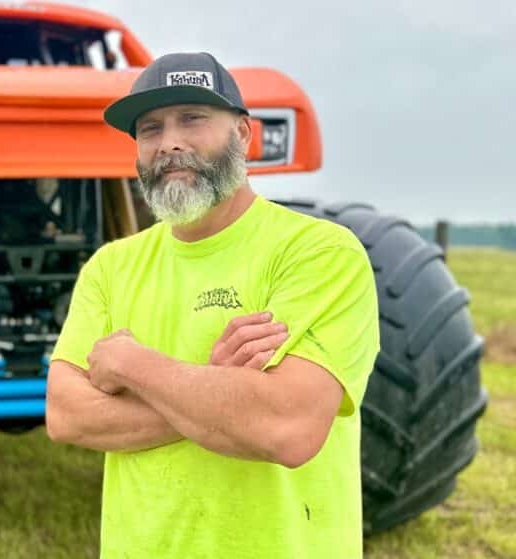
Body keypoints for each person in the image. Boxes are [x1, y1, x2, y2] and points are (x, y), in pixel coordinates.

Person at [45, 52, 380, 559]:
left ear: (244, 135)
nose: (170, 143)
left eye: (193, 119)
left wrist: (132, 365)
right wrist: (215, 388)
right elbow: (67, 416)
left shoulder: (319, 254)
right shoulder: (110, 268)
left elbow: (285, 428)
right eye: (150, 129)